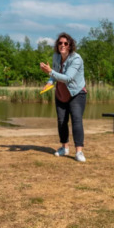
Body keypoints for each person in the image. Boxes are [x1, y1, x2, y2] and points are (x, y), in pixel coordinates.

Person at [40, 32, 88, 162]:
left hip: (76, 93)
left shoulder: (76, 59)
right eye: (60, 43)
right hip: (61, 93)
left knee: (76, 120)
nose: (62, 45)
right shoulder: (56, 56)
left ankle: (79, 152)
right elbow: (54, 74)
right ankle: (64, 147)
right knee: (61, 121)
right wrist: (49, 82)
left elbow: (67, 78)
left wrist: (50, 71)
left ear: (70, 45)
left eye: (65, 43)